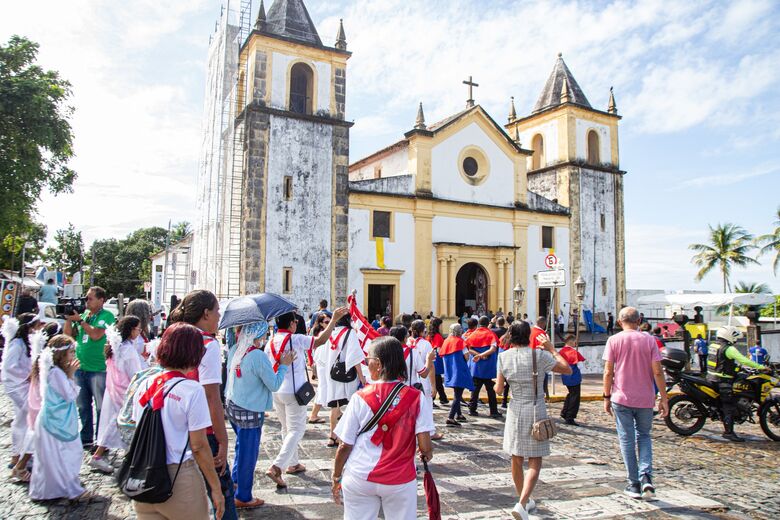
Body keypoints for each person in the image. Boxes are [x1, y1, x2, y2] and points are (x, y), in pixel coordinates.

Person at [331, 336, 434, 520]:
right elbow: (425, 446)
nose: (366, 363)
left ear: (378, 363)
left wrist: (336, 475)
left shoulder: (360, 397)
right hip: (399, 479)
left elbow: (344, 445)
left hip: (360, 476)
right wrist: (426, 453)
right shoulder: (416, 397)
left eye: (368, 360)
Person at [131, 322, 225, 520]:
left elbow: (134, 424)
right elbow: (198, 446)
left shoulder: (144, 384)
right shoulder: (192, 390)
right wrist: (216, 487)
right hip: (178, 477)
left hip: (143, 476)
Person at [167, 289, 235, 519]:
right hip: (203, 429)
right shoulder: (207, 344)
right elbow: (211, 396)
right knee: (221, 493)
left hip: (175, 427)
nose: (219, 317)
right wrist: (223, 440)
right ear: (206, 313)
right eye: (217, 312)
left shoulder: (173, 335)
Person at [495, 321, 571, 520]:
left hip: (515, 409)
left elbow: (499, 390)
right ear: (528, 335)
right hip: (536, 409)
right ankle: (522, 502)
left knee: (516, 457)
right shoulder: (539, 355)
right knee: (535, 460)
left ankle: (524, 500)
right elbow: (567, 369)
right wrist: (552, 349)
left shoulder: (503, 357)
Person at [265, 307, 348, 487]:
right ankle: (277, 466)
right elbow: (320, 340)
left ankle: (293, 463)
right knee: (296, 430)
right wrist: (333, 320)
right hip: (294, 392)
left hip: (277, 389)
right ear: (291, 324)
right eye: (295, 321)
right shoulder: (295, 339)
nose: (296, 324)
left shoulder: (270, 341)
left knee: (286, 428)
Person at [603, 307, 669, 500]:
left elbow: (608, 372)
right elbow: (658, 372)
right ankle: (646, 476)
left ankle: (633, 484)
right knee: (645, 436)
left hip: (621, 397)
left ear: (619, 322)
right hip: (645, 398)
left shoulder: (613, 340)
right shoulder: (649, 340)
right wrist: (664, 397)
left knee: (627, 440)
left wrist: (606, 396)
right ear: (639, 320)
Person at [225, 321, 292, 509]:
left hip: (233, 406)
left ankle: (236, 482)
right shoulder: (258, 356)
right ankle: (243, 496)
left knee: (241, 448)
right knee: (248, 455)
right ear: (258, 334)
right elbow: (274, 384)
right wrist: (284, 365)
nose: (265, 337)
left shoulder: (235, 350)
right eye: (264, 333)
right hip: (250, 412)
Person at [29, 334, 92, 501]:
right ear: (60, 355)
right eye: (71, 352)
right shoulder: (56, 373)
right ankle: (69, 489)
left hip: (58, 419)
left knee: (57, 456)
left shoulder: (56, 371)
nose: (74, 355)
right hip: (54, 422)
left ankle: (55, 489)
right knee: (62, 455)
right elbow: (70, 395)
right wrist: (71, 375)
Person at [90, 316, 145, 473]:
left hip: (114, 389)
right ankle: (98, 456)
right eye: (138, 329)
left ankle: (128, 455)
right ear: (131, 330)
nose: (139, 332)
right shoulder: (128, 350)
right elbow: (135, 374)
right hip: (125, 391)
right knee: (119, 423)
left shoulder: (117, 346)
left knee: (115, 422)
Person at [63, 285, 116, 448]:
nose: (87, 301)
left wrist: (80, 320)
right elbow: (67, 336)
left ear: (101, 300)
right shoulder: (84, 314)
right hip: (80, 367)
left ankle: (101, 441)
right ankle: (86, 438)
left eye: (90, 298)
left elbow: (95, 335)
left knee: (101, 407)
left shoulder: (107, 316)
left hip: (98, 369)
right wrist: (69, 319)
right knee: (82, 406)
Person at [706, 326, 770, 442]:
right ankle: (728, 433)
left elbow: (721, 361)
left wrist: (736, 368)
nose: (735, 339)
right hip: (723, 381)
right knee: (728, 406)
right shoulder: (729, 348)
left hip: (711, 377)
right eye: (734, 336)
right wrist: (761, 367)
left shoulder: (714, 346)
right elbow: (743, 360)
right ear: (728, 335)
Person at [1, 313, 42, 475]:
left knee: (20, 421)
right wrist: (27, 375)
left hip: (23, 385)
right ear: (29, 327)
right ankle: (24, 456)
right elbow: (8, 366)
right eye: (37, 326)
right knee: (30, 418)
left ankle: (17, 455)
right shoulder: (17, 344)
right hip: (17, 386)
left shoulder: (24, 342)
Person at [323, 312, 367, 448]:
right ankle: (347, 436)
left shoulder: (330, 332)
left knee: (335, 405)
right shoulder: (350, 333)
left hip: (332, 374)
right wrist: (361, 377)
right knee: (350, 406)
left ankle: (332, 436)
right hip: (347, 375)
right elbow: (355, 357)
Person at [407, 320, 441, 440]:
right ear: (422, 331)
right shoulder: (426, 344)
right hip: (423, 379)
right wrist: (433, 385)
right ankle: (430, 432)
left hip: (409, 380)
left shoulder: (407, 342)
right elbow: (431, 366)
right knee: (426, 407)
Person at [465, 316, 501, 418]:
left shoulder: (473, 334)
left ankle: (472, 409)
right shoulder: (491, 334)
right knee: (491, 390)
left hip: (476, 367)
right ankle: (493, 411)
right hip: (489, 367)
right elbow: (493, 349)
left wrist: (478, 355)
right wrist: (482, 355)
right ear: (487, 323)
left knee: (475, 390)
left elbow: (468, 348)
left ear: (478, 324)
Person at [440, 324, 473, 426]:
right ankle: (451, 417)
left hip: (450, 371)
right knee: (458, 395)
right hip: (459, 370)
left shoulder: (446, 341)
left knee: (457, 393)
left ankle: (459, 414)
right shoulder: (460, 341)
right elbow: (466, 356)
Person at [307, 313, 331, 424]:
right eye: (326, 322)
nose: (329, 323)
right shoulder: (322, 334)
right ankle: (313, 414)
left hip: (323, 364)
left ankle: (337, 411)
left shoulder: (323, 333)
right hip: (323, 365)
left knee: (327, 388)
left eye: (330, 321)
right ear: (321, 323)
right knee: (323, 389)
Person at [559, 334, 585, 426]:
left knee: (571, 394)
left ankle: (565, 412)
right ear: (570, 341)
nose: (575, 343)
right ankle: (570, 416)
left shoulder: (561, 352)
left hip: (565, 376)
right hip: (574, 377)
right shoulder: (573, 352)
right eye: (574, 342)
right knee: (575, 397)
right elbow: (581, 364)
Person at [428, 318, 448, 406]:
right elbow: (437, 348)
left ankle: (443, 398)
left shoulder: (429, 335)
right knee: (436, 381)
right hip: (437, 360)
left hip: (433, 360)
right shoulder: (438, 336)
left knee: (438, 380)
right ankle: (432, 400)